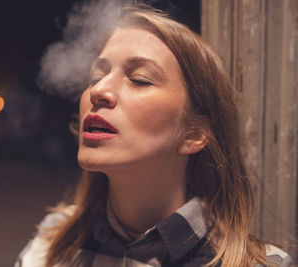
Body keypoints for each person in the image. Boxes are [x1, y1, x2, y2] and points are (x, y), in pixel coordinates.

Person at [15, 5, 292, 267]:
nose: (98, 91)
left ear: (194, 134)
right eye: (96, 77)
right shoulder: (50, 243)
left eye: (140, 79)